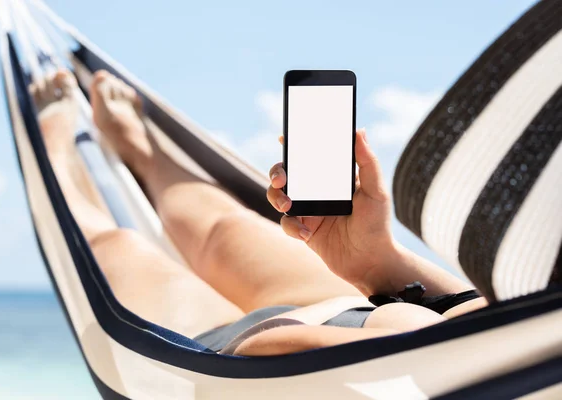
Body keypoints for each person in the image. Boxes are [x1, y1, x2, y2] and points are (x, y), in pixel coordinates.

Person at [30, 68, 487, 357]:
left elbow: (275, 358)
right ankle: (142, 150)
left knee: (114, 248)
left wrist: (288, 342)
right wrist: (378, 264)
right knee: (223, 228)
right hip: (360, 307)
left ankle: (56, 141)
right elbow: (490, 320)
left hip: (251, 359)